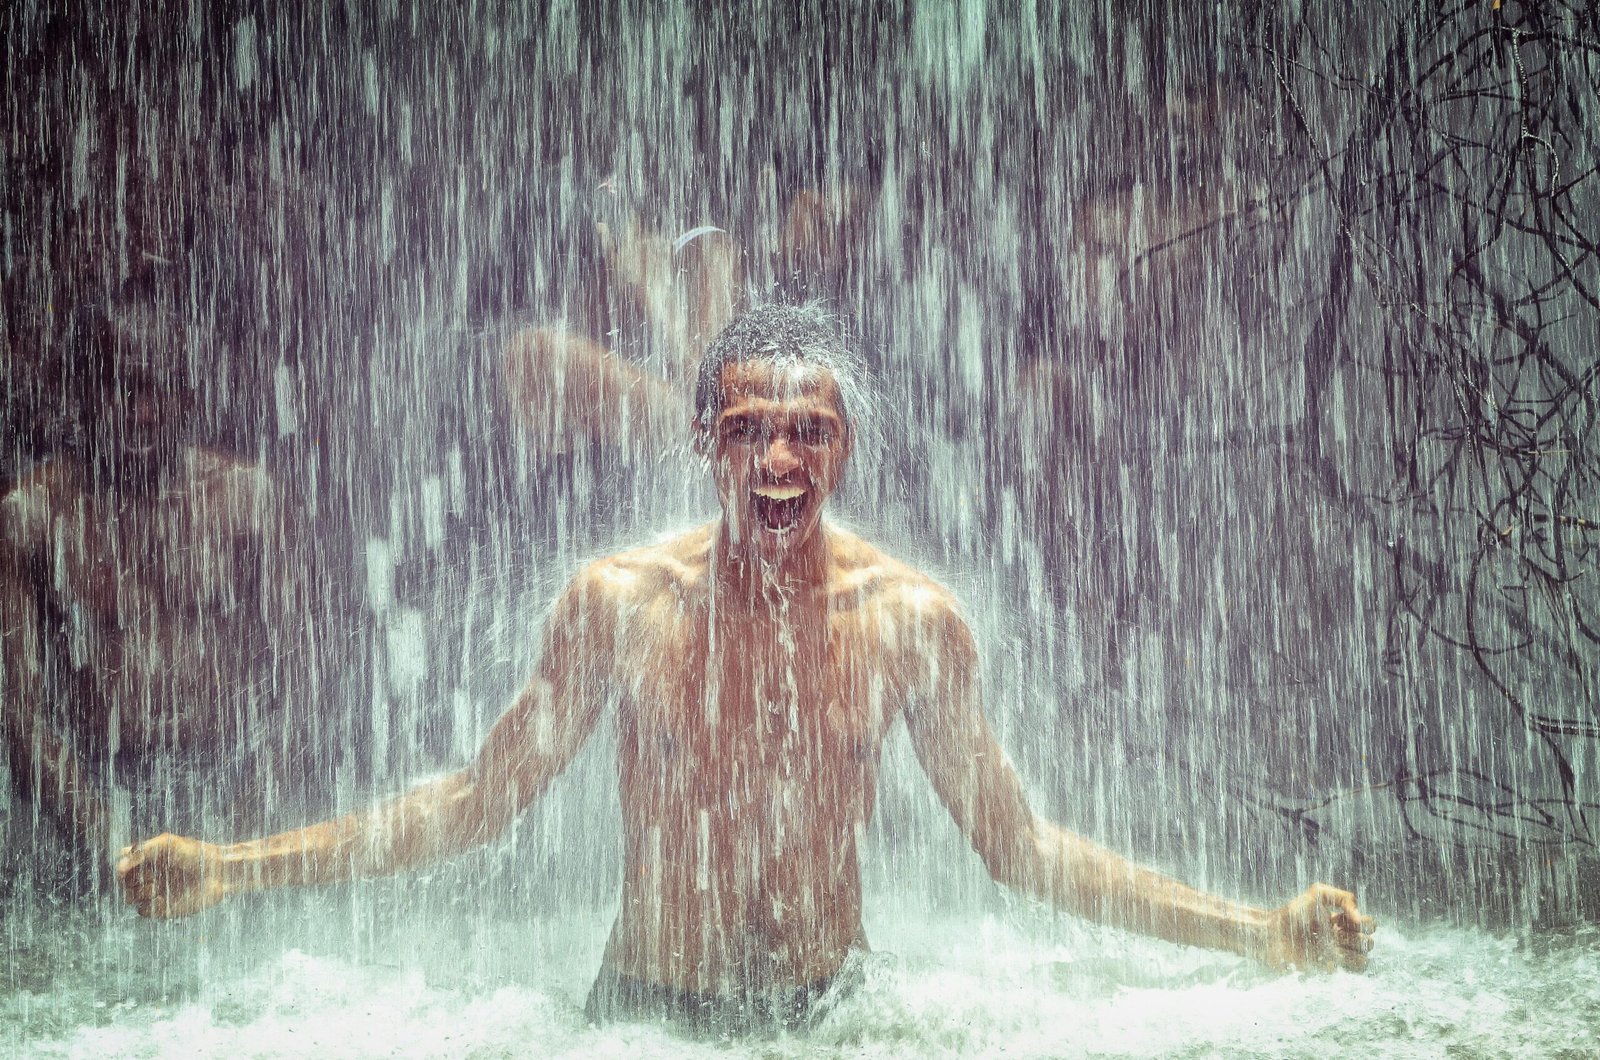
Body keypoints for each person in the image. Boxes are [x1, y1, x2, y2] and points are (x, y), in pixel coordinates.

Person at [116, 304, 1375, 1034]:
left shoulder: (909, 621)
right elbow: (468, 803)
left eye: (808, 431)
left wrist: (1255, 930)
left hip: (837, 1022)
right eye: (749, 430)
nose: (780, 456)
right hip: (646, 1025)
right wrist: (236, 866)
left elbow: (1024, 847)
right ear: (705, 446)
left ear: (845, 448)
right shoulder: (619, 604)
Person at [0, 281, 328, 890]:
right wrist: (113, 846)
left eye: (163, 386)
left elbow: (304, 687)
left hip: (230, 778)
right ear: (80, 391)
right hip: (94, 790)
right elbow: (18, 713)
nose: (144, 410)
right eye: (123, 386)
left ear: (191, 390)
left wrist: (230, 848)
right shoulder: (34, 518)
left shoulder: (244, 501)